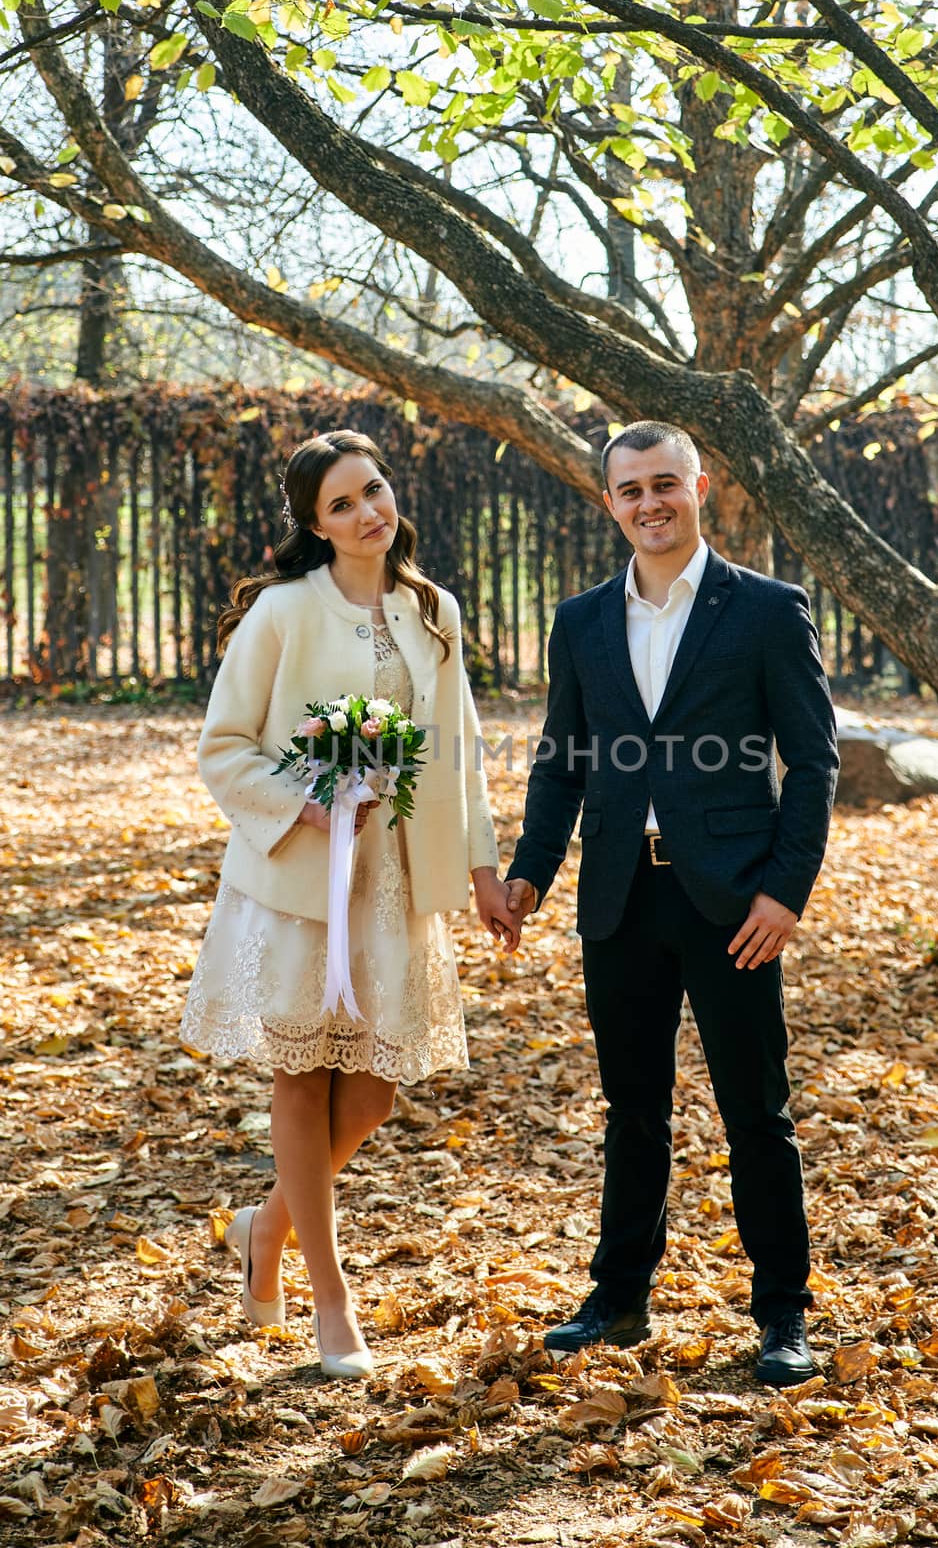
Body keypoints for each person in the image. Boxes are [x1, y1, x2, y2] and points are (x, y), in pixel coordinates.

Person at [504, 420, 838, 1386]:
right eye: (629, 490)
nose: (649, 503)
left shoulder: (769, 611)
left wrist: (785, 891)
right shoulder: (581, 622)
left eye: (665, 484)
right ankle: (618, 1299)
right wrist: (531, 870)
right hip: (618, 897)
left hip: (733, 904)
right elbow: (562, 758)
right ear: (608, 502)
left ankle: (782, 1315)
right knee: (632, 1108)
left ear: (701, 486)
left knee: (755, 1112)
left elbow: (812, 761)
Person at [181, 429, 517, 1379]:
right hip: (297, 883)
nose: (368, 512)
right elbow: (223, 746)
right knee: (302, 1081)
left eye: (373, 489)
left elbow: (460, 754)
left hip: (397, 884)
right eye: (341, 504)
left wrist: (484, 872)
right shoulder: (284, 613)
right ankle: (330, 1294)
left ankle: (263, 1225)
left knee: (372, 1091)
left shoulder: (432, 608)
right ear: (314, 525)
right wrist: (309, 801)